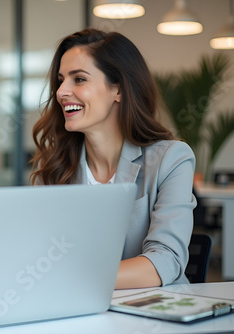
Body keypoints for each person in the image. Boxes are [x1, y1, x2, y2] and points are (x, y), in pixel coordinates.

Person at [30, 28, 195, 289]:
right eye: (61, 80)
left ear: (118, 89)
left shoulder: (171, 159)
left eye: (79, 79)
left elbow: (165, 261)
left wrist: (71, 278)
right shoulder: (53, 168)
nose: (61, 91)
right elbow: (38, 257)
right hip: (76, 311)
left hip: (155, 315)